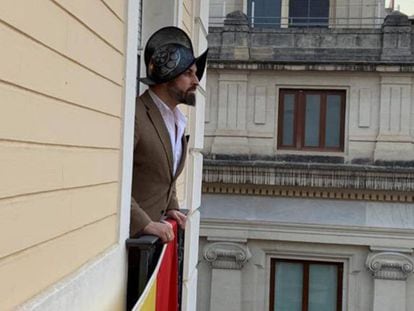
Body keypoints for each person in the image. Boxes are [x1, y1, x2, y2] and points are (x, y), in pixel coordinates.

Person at [130, 26, 208, 243]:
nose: (196, 81)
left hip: (153, 246)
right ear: (167, 77)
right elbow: (113, 179)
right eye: (188, 73)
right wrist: (144, 223)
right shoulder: (135, 114)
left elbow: (165, 175)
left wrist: (171, 206)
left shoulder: (176, 119)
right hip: (133, 244)